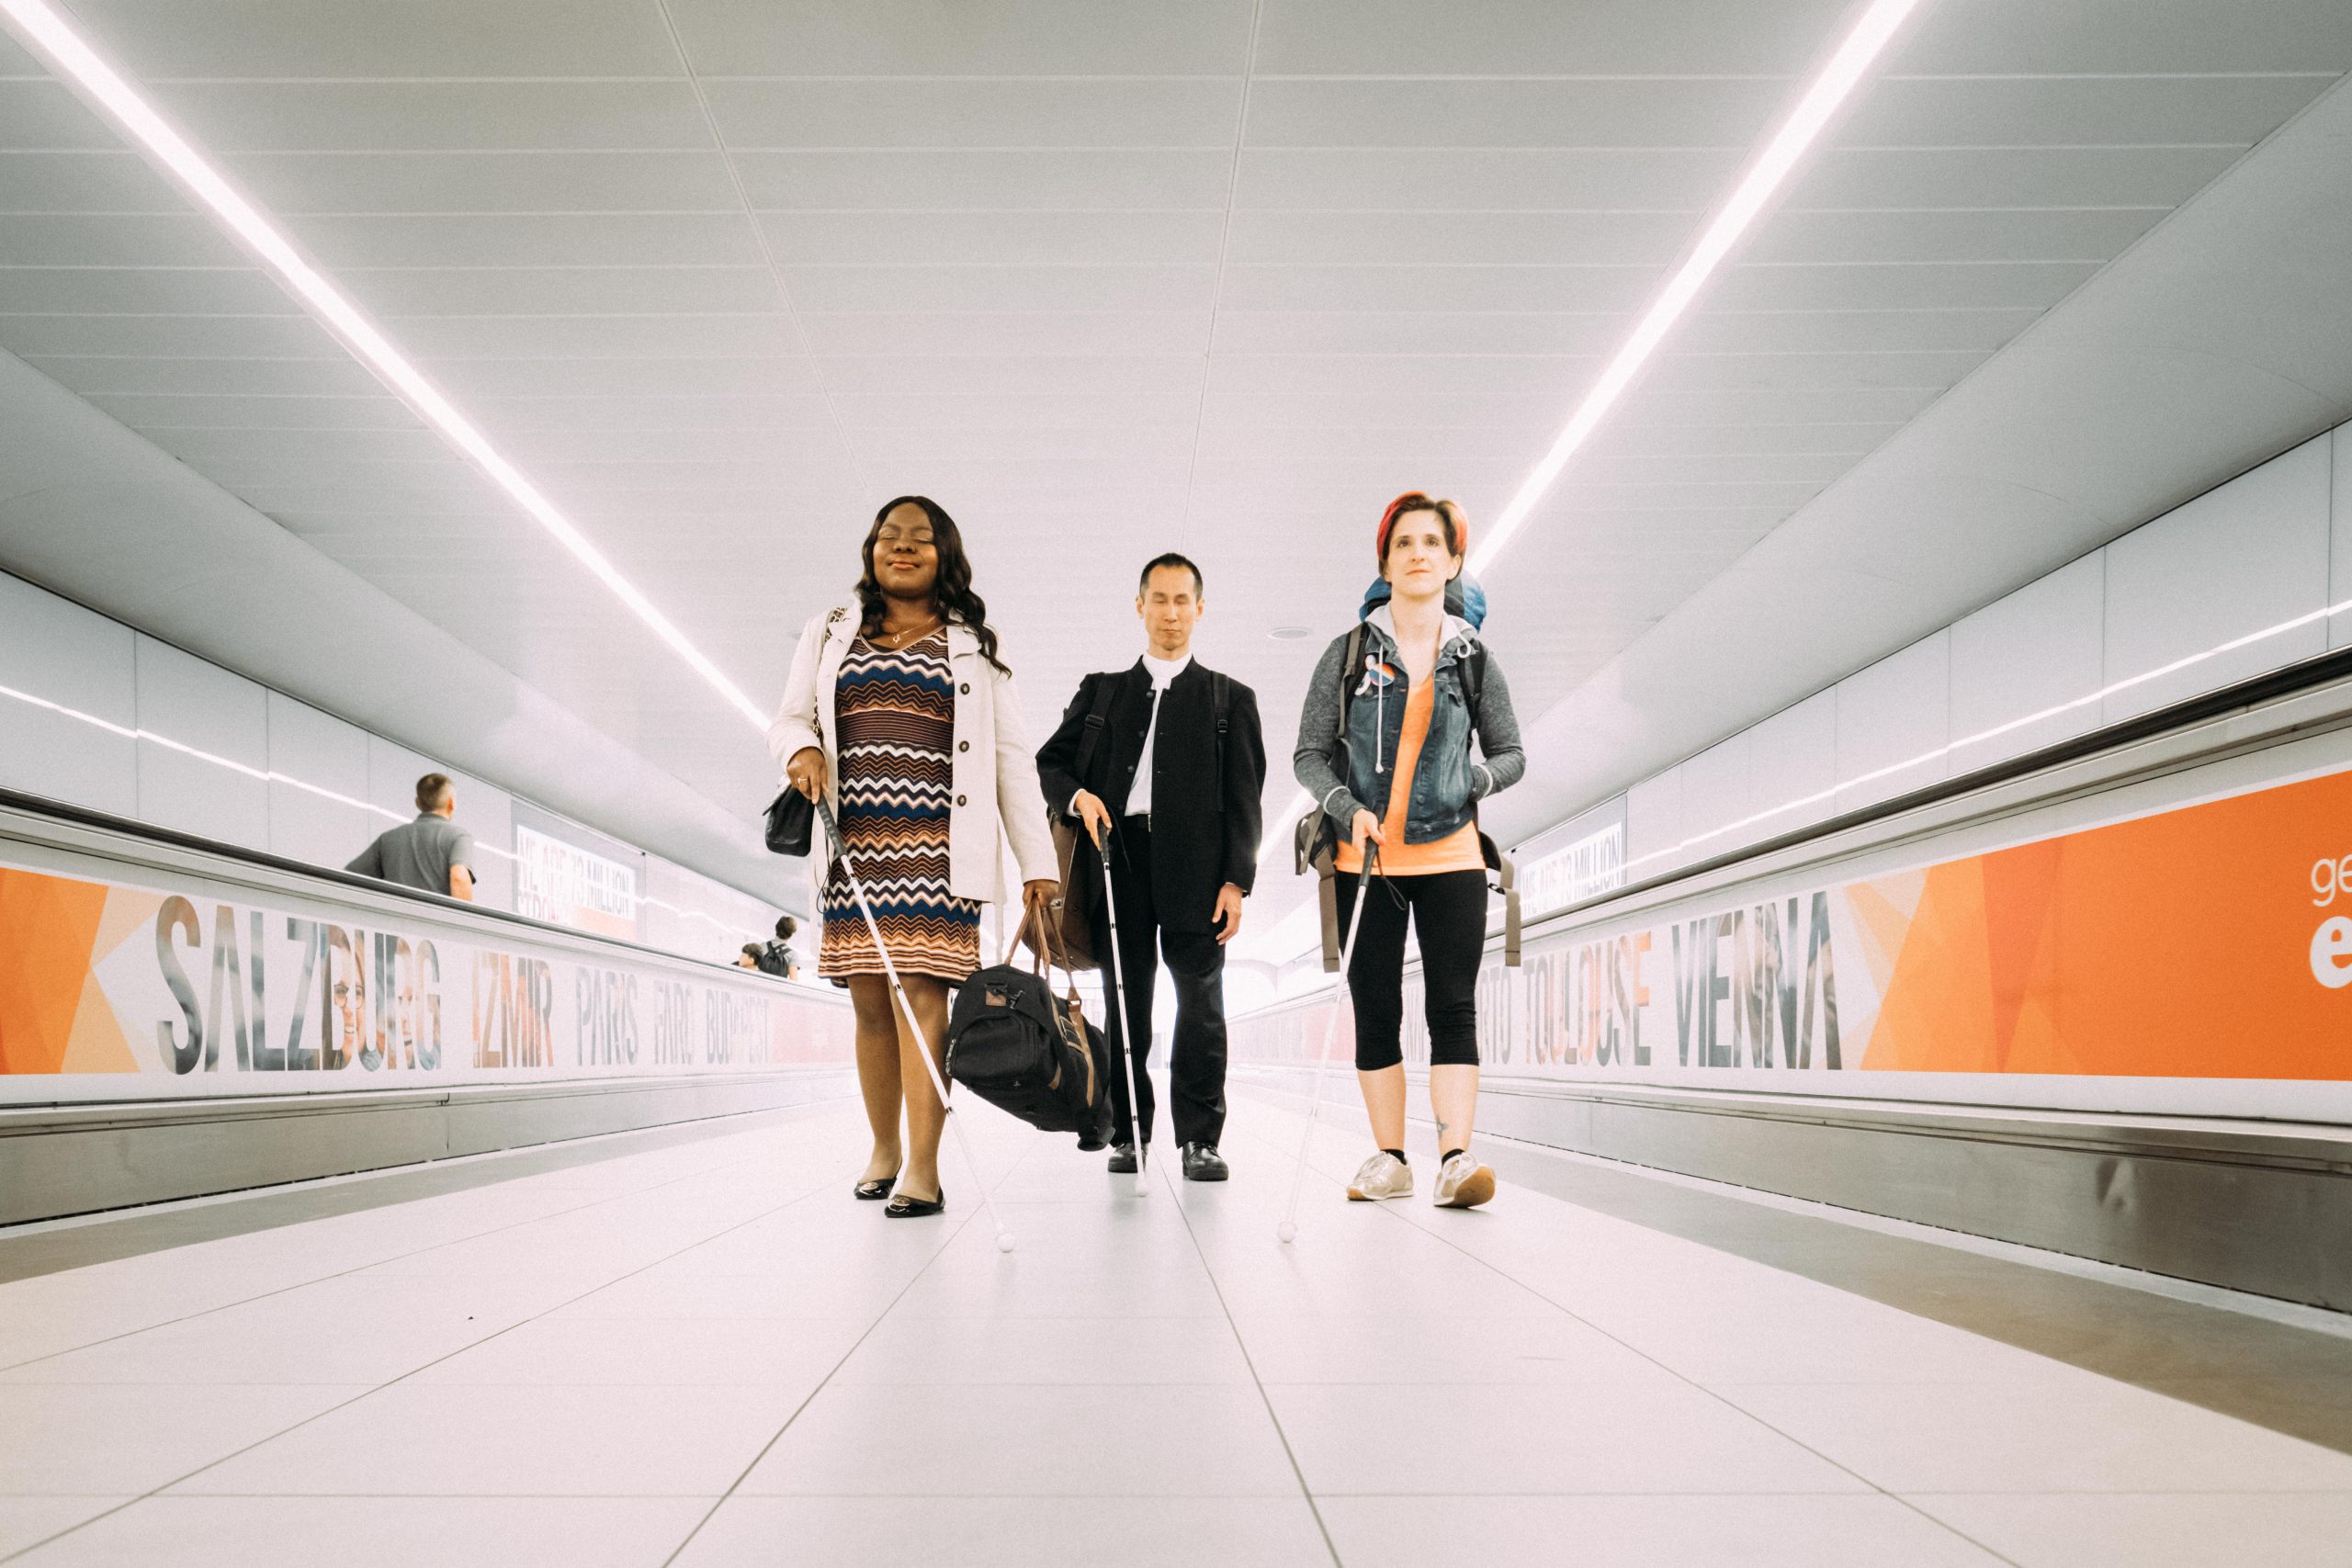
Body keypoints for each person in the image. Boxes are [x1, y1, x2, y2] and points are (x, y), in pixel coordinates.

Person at [767, 495, 1059, 1218]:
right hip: (853, 844)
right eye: (888, 537)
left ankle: (923, 1169)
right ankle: (883, 1148)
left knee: (923, 998)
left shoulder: (975, 647)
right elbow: (789, 715)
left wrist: (1038, 861)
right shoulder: (830, 631)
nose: (902, 547)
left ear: (944, 555)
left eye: (919, 539)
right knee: (869, 1002)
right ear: (870, 550)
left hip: (938, 848)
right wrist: (799, 748)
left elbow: (1013, 759)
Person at [1293, 493, 1524, 1210]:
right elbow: (1309, 755)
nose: (1419, 552)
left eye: (1433, 542)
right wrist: (1347, 809)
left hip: (1452, 854)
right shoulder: (1349, 652)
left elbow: (1512, 753)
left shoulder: (1474, 658)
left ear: (1453, 561)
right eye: (1404, 543)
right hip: (1368, 860)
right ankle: (1390, 1158)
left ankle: (1456, 1157)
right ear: (1386, 561)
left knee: (1454, 1008)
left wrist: (1473, 778)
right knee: (1377, 1006)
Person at [1036, 553, 1267, 1182]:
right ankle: (1129, 1131)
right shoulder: (1103, 690)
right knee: (1125, 1000)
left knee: (1201, 1005)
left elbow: (1246, 798)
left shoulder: (1229, 699)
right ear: (1139, 606)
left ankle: (1200, 1138)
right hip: (1119, 864)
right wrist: (1077, 796)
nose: (1170, 612)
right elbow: (1050, 763)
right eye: (1158, 599)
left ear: (1199, 608)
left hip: (1198, 871)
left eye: (1181, 600)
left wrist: (1236, 880)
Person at [347, 773, 475, 901]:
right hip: (433, 919)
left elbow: (349, 877)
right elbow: (459, 877)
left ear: (417, 802)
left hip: (393, 918)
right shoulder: (459, 836)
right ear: (451, 803)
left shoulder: (388, 838)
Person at [754, 915, 799, 979]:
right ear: (791, 933)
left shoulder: (762, 946)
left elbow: (751, 968)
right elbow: (793, 981)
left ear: (776, 928)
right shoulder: (792, 955)